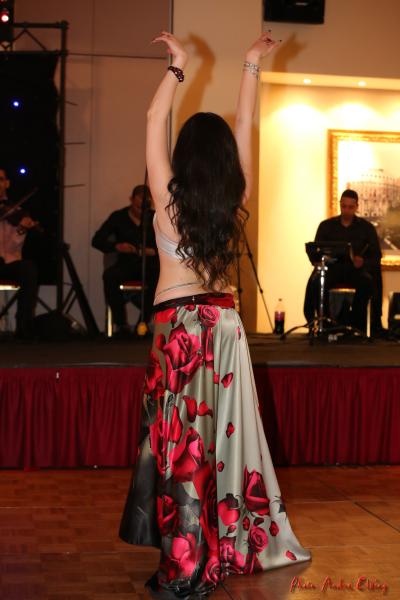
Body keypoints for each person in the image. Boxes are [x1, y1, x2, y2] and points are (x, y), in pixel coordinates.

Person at [119, 31, 311, 598]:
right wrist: (251, 65)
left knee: (184, 444)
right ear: (226, 160)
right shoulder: (234, 198)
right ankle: (227, 544)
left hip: (180, 328)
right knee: (224, 439)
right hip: (225, 327)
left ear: (184, 155)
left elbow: (153, 116)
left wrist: (177, 67)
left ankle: (186, 561)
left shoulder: (166, 196)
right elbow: (246, 125)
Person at [304, 189, 383, 333]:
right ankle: (325, 323)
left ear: (357, 207)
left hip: (355, 271)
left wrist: (363, 261)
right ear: (340, 205)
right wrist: (317, 260)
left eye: (350, 207)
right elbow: (316, 249)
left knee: (367, 282)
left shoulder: (366, 228)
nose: (346, 210)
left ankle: (357, 323)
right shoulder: (326, 226)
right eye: (344, 206)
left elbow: (376, 255)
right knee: (316, 282)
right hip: (332, 270)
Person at [91, 184, 159, 336]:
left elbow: (168, 243)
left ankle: (143, 323)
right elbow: (97, 240)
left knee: (158, 279)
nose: (140, 210)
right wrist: (117, 246)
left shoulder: (156, 217)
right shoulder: (118, 217)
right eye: (138, 205)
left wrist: (151, 251)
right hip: (126, 263)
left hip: (149, 264)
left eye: (145, 206)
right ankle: (121, 324)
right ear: (131, 200)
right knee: (110, 276)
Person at [0, 167, 39, 338]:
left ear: (7, 183)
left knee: (28, 268)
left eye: (1, 179)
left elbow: (12, 249)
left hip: (8, 263)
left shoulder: (15, 211)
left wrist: (21, 229)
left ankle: (24, 324)